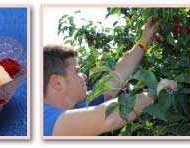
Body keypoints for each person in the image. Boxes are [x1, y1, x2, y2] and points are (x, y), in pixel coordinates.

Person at [43, 18, 178, 136]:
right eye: (77, 71)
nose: (84, 76)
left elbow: (113, 83)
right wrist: (154, 93)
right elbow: (107, 119)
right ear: (57, 83)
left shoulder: (78, 106)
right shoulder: (42, 122)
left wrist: (144, 41)